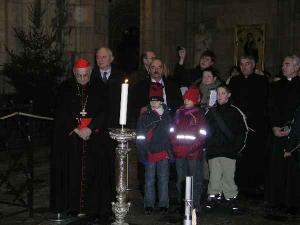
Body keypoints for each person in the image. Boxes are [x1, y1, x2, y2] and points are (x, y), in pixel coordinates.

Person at [50, 58, 114, 222]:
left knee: (95, 172)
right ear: (74, 73)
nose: (83, 78)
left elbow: (105, 111)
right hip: (73, 139)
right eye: (79, 76)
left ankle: (94, 208)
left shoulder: (99, 87)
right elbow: (61, 112)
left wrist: (89, 128)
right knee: (72, 172)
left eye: (85, 75)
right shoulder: (65, 88)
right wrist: (77, 129)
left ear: (90, 71)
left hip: (94, 138)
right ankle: (72, 207)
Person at [228, 55, 269, 194]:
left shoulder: (261, 80)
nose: (244, 67)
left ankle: (255, 183)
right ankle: (238, 183)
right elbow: (231, 101)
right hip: (238, 123)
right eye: (241, 64)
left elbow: (263, 102)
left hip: (255, 124)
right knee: (239, 154)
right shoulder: (234, 81)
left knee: (255, 154)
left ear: (253, 65)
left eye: (247, 64)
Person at [205, 84, 248, 213]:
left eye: (223, 93)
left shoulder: (235, 112)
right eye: (218, 93)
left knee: (229, 176)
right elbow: (205, 130)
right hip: (214, 150)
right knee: (214, 176)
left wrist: (237, 148)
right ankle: (213, 197)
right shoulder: (211, 112)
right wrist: (208, 145)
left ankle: (231, 198)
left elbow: (243, 131)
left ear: (229, 95)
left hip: (229, 151)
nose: (220, 96)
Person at [266, 55, 300, 215]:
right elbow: (271, 107)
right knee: (277, 167)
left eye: (287, 64)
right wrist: (274, 126)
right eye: (283, 64)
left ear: (296, 67)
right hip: (277, 132)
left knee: (293, 169)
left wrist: (291, 128)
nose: (283, 67)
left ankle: (292, 202)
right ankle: (276, 200)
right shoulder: (276, 86)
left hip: (295, 134)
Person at [136, 82, 173, 215]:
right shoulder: (144, 117)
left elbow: (171, 135)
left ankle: (163, 204)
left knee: (163, 179)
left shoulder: (168, 116)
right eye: (151, 100)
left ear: (161, 101)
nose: (153, 103)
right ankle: (149, 204)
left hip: (164, 153)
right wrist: (142, 154)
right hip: (149, 153)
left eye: (156, 100)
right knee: (149, 180)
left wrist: (171, 152)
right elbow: (140, 137)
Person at [170, 86, 207, 212]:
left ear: (195, 100)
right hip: (180, 153)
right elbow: (173, 132)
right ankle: (184, 204)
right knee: (181, 179)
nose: (186, 101)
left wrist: (189, 149)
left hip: (193, 154)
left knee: (194, 179)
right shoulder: (178, 113)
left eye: (189, 99)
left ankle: (195, 205)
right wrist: (176, 147)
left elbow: (202, 135)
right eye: (185, 98)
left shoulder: (199, 115)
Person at [91, 47, 124, 128]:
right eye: (97, 57)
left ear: (111, 59)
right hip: (95, 123)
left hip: (115, 122)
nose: (100, 60)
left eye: (104, 57)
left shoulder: (120, 77)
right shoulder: (90, 76)